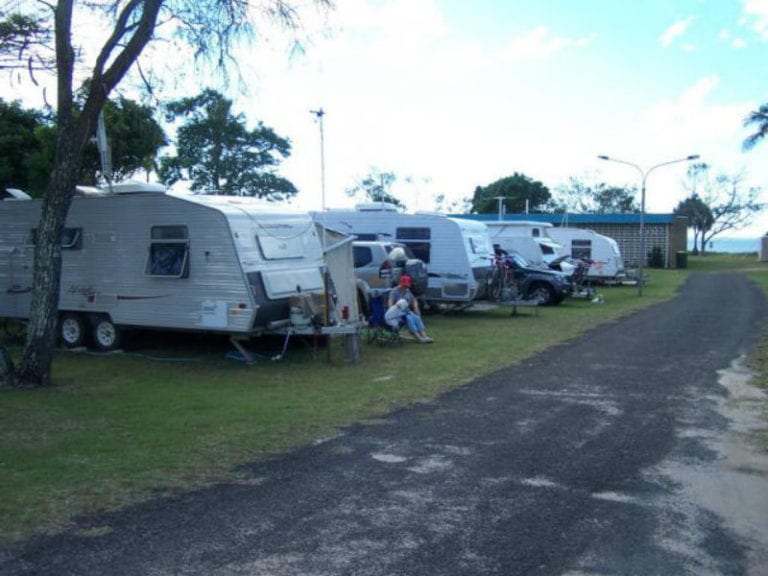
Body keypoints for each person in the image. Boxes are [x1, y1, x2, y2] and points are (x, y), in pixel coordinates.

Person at [387, 275, 433, 343]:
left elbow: (414, 300)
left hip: (407, 311)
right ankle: (419, 338)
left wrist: (415, 308)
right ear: (400, 283)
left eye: (407, 286)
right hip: (398, 312)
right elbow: (390, 302)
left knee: (416, 317)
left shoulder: (407, 291)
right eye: (404, 285)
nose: (405, 287)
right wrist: (392, 312)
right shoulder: (394, 291)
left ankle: (424, 336)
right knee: (409, 319)